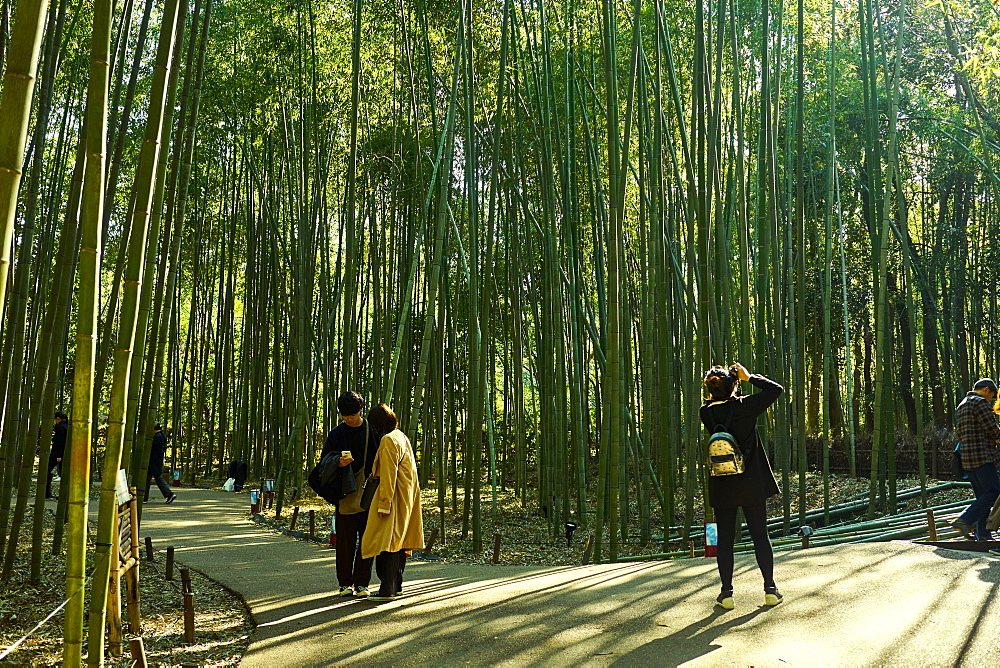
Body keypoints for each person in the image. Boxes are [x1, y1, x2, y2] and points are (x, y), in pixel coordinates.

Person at [700, 363, 784, 610]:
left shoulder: (706, 412)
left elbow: (719, 403)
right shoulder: (745, 407)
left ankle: (726, 594)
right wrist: (749, 377)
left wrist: (734, 385)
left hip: (722, 482)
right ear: (734, 386)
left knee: (724, 539)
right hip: (751, 482)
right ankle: (770, 590)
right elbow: (775, 389)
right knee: (760, 535)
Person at [361, 403, 424, 602]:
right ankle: (396, 585)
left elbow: (388, 475)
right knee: (399, 543)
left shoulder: (388, 440)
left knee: (386, 542)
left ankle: (387, 588)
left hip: (393, 497)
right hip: (405, 497)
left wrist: (384, 503)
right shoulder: (401, 436)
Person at [321, 391, 379, 597]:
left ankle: (362, 583)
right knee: (344, 541)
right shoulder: (336, 433)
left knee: (367, 538)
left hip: (367, 492)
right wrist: (337, 461)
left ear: (360, 410)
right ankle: (344, 583)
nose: (348, 419)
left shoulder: (372, 430)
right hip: (344, 492)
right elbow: (324, 460)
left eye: (352, 415)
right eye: (344, 416)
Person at [951, 378, 1000, 541]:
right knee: (994, 491)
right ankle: (965, 519)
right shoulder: (980, 403)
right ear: (986, 390)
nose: (992, 401)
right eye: (992, 396)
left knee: (983, 496)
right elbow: (993, 430)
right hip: (982, 456)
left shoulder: (963, 404)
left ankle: (983, 534)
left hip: (967, 459)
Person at [146, 424, 176, 504]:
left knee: (157, 477)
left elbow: (150, 447)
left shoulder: (157, 437)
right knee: (147, 478)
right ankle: (143, 497)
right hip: (156, 460)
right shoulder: (161, 435)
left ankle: (169, 494)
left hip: (154, 461)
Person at [45, 412, 69, 499]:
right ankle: (66, 494)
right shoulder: (69, 426)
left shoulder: (60, 427)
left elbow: (59, 442)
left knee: (47, 470)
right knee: (65, 473)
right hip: (67, 453)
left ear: (58, 418)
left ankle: (47, 492)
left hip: (57, 453)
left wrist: (59, 455)